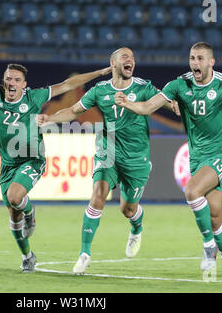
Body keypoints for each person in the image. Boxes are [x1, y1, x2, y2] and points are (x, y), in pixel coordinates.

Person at [113, 42, 222, 283]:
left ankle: (208, 247)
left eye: (200, 58)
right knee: (214, 217)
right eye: (192, 58)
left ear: (212, 62)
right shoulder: (180, 84)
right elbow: (148, 106)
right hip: (198, 156)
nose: (195, 63)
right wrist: (127, 103)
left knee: (192, 190)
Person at [0, 54, 111, 272]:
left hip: (32, 159)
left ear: (24, 85)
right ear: (3, 81)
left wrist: (100, 73)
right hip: (8, 164)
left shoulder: (34, 97)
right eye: (8, 79)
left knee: (15, 197)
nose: (11, 83)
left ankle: (30, 212)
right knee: (13, 214)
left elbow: (68, 84)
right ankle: (27, 256)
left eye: (16, 80)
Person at [37, 47, 170, 274]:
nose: (130, 60)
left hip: (136, 157)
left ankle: (136, 228)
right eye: (125, 57)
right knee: (98, 194)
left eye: (133, 58)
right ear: (113, 63)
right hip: (107, 151)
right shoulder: (100, 90)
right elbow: (73, 110)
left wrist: (175, 105)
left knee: (128, 209)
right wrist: (50, 118)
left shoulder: (143, 87)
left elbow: (164, 101)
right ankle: (84, 254)